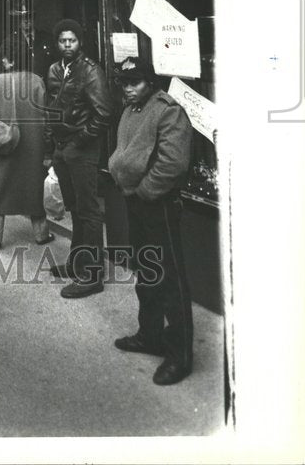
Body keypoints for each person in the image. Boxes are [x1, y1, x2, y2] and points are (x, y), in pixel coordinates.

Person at [108, 56, 194, 385]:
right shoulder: (132, 109)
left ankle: (180, 355)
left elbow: (173, 163)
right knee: (147, 272)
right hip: (136, 200)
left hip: (158, 203)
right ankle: (150, 335)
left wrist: (145, 191)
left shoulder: (167, 109)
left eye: (136, 83)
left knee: (170, 278)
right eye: (125, 84)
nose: (129, 89)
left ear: (150, 82)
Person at [45, 19, 113, 298]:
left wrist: (79, 142)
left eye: (72, 40)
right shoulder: (54, 70)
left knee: (89, 211)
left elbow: (104, 114)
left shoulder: (90, 71)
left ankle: (92, 275)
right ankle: (77, 262)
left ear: (80, 42)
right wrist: (54, 147)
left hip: (81, 149)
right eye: (63, 40)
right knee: (74, 209)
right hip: (62, 148)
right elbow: (51, 108)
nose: (67, 45)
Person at [0, 41, 55, 251]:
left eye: (4, 57)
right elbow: (46, 115)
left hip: (4, 145)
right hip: (33, 147)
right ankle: (41, 234)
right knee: (34, 190)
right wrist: (47, 147)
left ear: (9, 59)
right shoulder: (36, 81)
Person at [0, 4, 53, 79]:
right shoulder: (9, 41)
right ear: (18, 20)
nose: (26, 20)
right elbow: (4, 63)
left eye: (29, 17)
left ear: (34, 18)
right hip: (21, 84)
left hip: (44, 84)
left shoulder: (47, 38)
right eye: (22, 18)